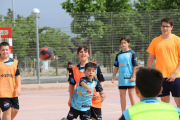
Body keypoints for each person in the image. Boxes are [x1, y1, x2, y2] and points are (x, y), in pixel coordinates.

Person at [147, 18, 180, 107]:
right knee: (164, 104)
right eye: (163, 26)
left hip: (176, 77)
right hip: (160, 77)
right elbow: (150, 58)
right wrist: (148, 73)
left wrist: (175, 73)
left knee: (179, 102)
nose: (165, 28)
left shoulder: (177, 40)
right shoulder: (155, 41)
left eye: (167, 26)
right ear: (161, 27)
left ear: (171, 27)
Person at [68, 45, 105, 120]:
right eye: (81, 52)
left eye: (85, 52)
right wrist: (70, 98)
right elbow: (72, 85)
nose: (83, 53)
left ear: (88, 54)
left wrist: (99, 92)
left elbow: (101, 80)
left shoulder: (95, 66)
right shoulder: (74, 69)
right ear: (78, 55)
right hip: (81, 100)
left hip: (94, 99)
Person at [111, 37, 138, 119]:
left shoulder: (132, 53)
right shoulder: (118, 54)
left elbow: (135, 65)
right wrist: (113, 76)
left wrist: (133, 76)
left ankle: (135, 113)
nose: (123, 44)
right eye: (122, 43)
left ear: (128, 43)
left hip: (130, 78)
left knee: (131, 95)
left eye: (125, 42)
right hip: (122, 79)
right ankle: (123, 114)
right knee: (122, 96)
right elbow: (116, 66)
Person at [0, 42, 21, 120]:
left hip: (12, 91)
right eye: (3, 50)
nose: (5, 51)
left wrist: (19, 87)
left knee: (15, 109)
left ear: (9, 50)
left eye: (6, 49)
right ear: (0, 51)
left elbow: (17, 75)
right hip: (2, 92)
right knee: (7, 111)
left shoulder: (14, 62)